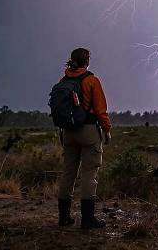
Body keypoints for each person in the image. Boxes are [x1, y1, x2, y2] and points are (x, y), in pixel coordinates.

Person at [57, 47, 112, 229]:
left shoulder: (63, 80)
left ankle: (64, 217)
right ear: (87, 61)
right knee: (89, 173)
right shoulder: (91, 80)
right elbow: (100, 109)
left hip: (68, 133)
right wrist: (107, 130)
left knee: (68, 174)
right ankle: (88, 219)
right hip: (88, 131)